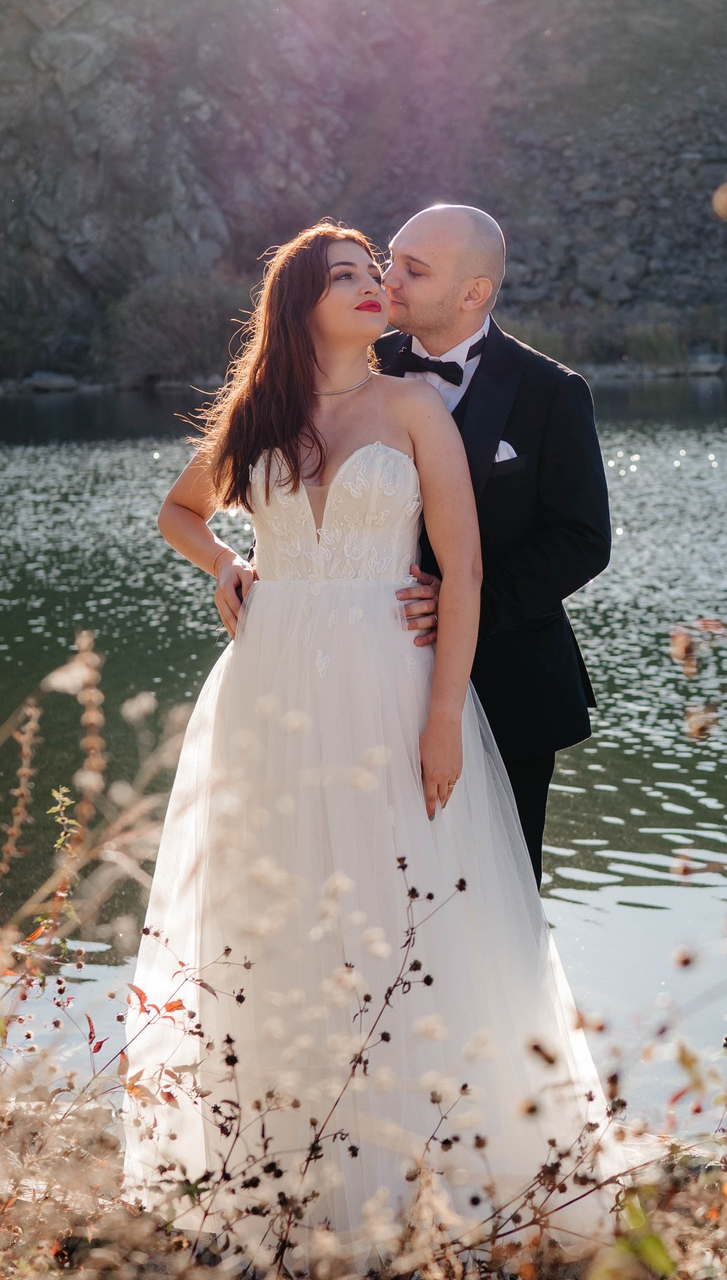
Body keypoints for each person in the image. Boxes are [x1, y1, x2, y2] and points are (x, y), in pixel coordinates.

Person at [122, 220, 623, 1263]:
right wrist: (223, 565)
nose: (373, 285)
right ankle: (278, 1166)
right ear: (298, 299)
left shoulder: (413, 404)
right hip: (266, 684)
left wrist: (444, 717)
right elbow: (178, 510)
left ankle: (431, 1172)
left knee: (403, 910)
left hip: (389, 681)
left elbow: (468, 573)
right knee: (277, 908)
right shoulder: (260, 409)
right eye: (347, 273)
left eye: (379, 272)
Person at [213, 204, 613, 881]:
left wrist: (465, 604)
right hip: (362, 679)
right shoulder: (359, 359)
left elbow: (583, 539)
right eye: (388, 259)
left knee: (494, 900)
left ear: (473, 293)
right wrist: (252, 558)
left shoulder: (551, 392)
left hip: (508, 677)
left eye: (412, 269)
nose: (388, 277)